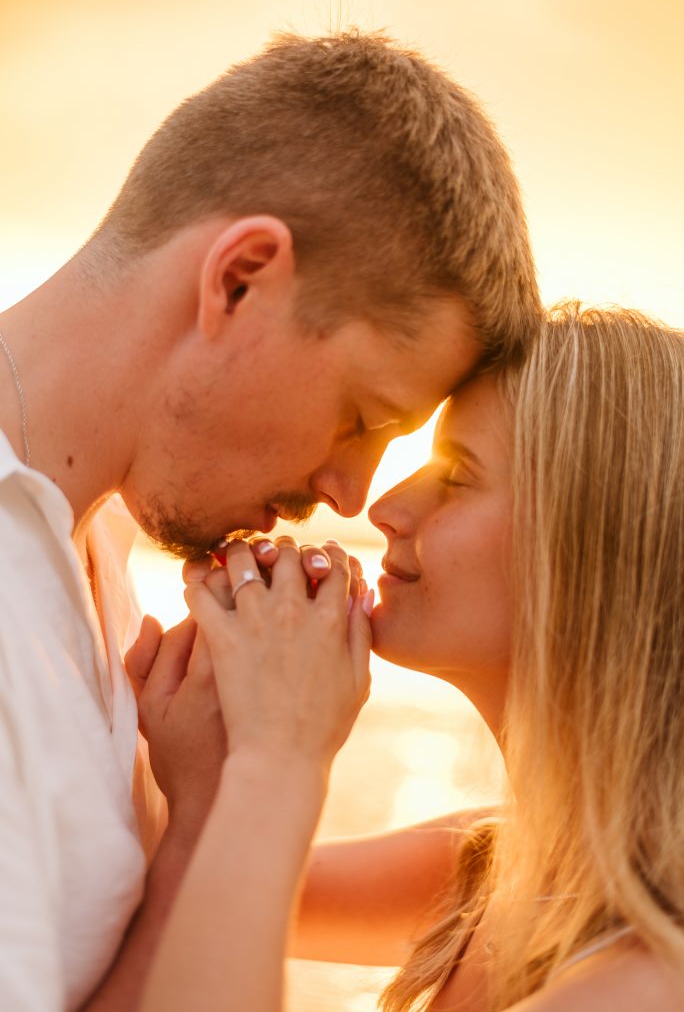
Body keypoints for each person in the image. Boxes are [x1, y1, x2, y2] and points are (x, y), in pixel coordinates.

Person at [0, 29, 540, 1011]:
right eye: (362, 418)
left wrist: (206, 819)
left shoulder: (100, 566)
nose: (350, 496)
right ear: (241, 277)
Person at [139, 302, 684, 1011]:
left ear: (593, 553)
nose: (385, 507)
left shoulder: (647, 983)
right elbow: (188, 894)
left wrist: (280, 752)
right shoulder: (499, 867)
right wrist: (214, 741)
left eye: (456, 478)